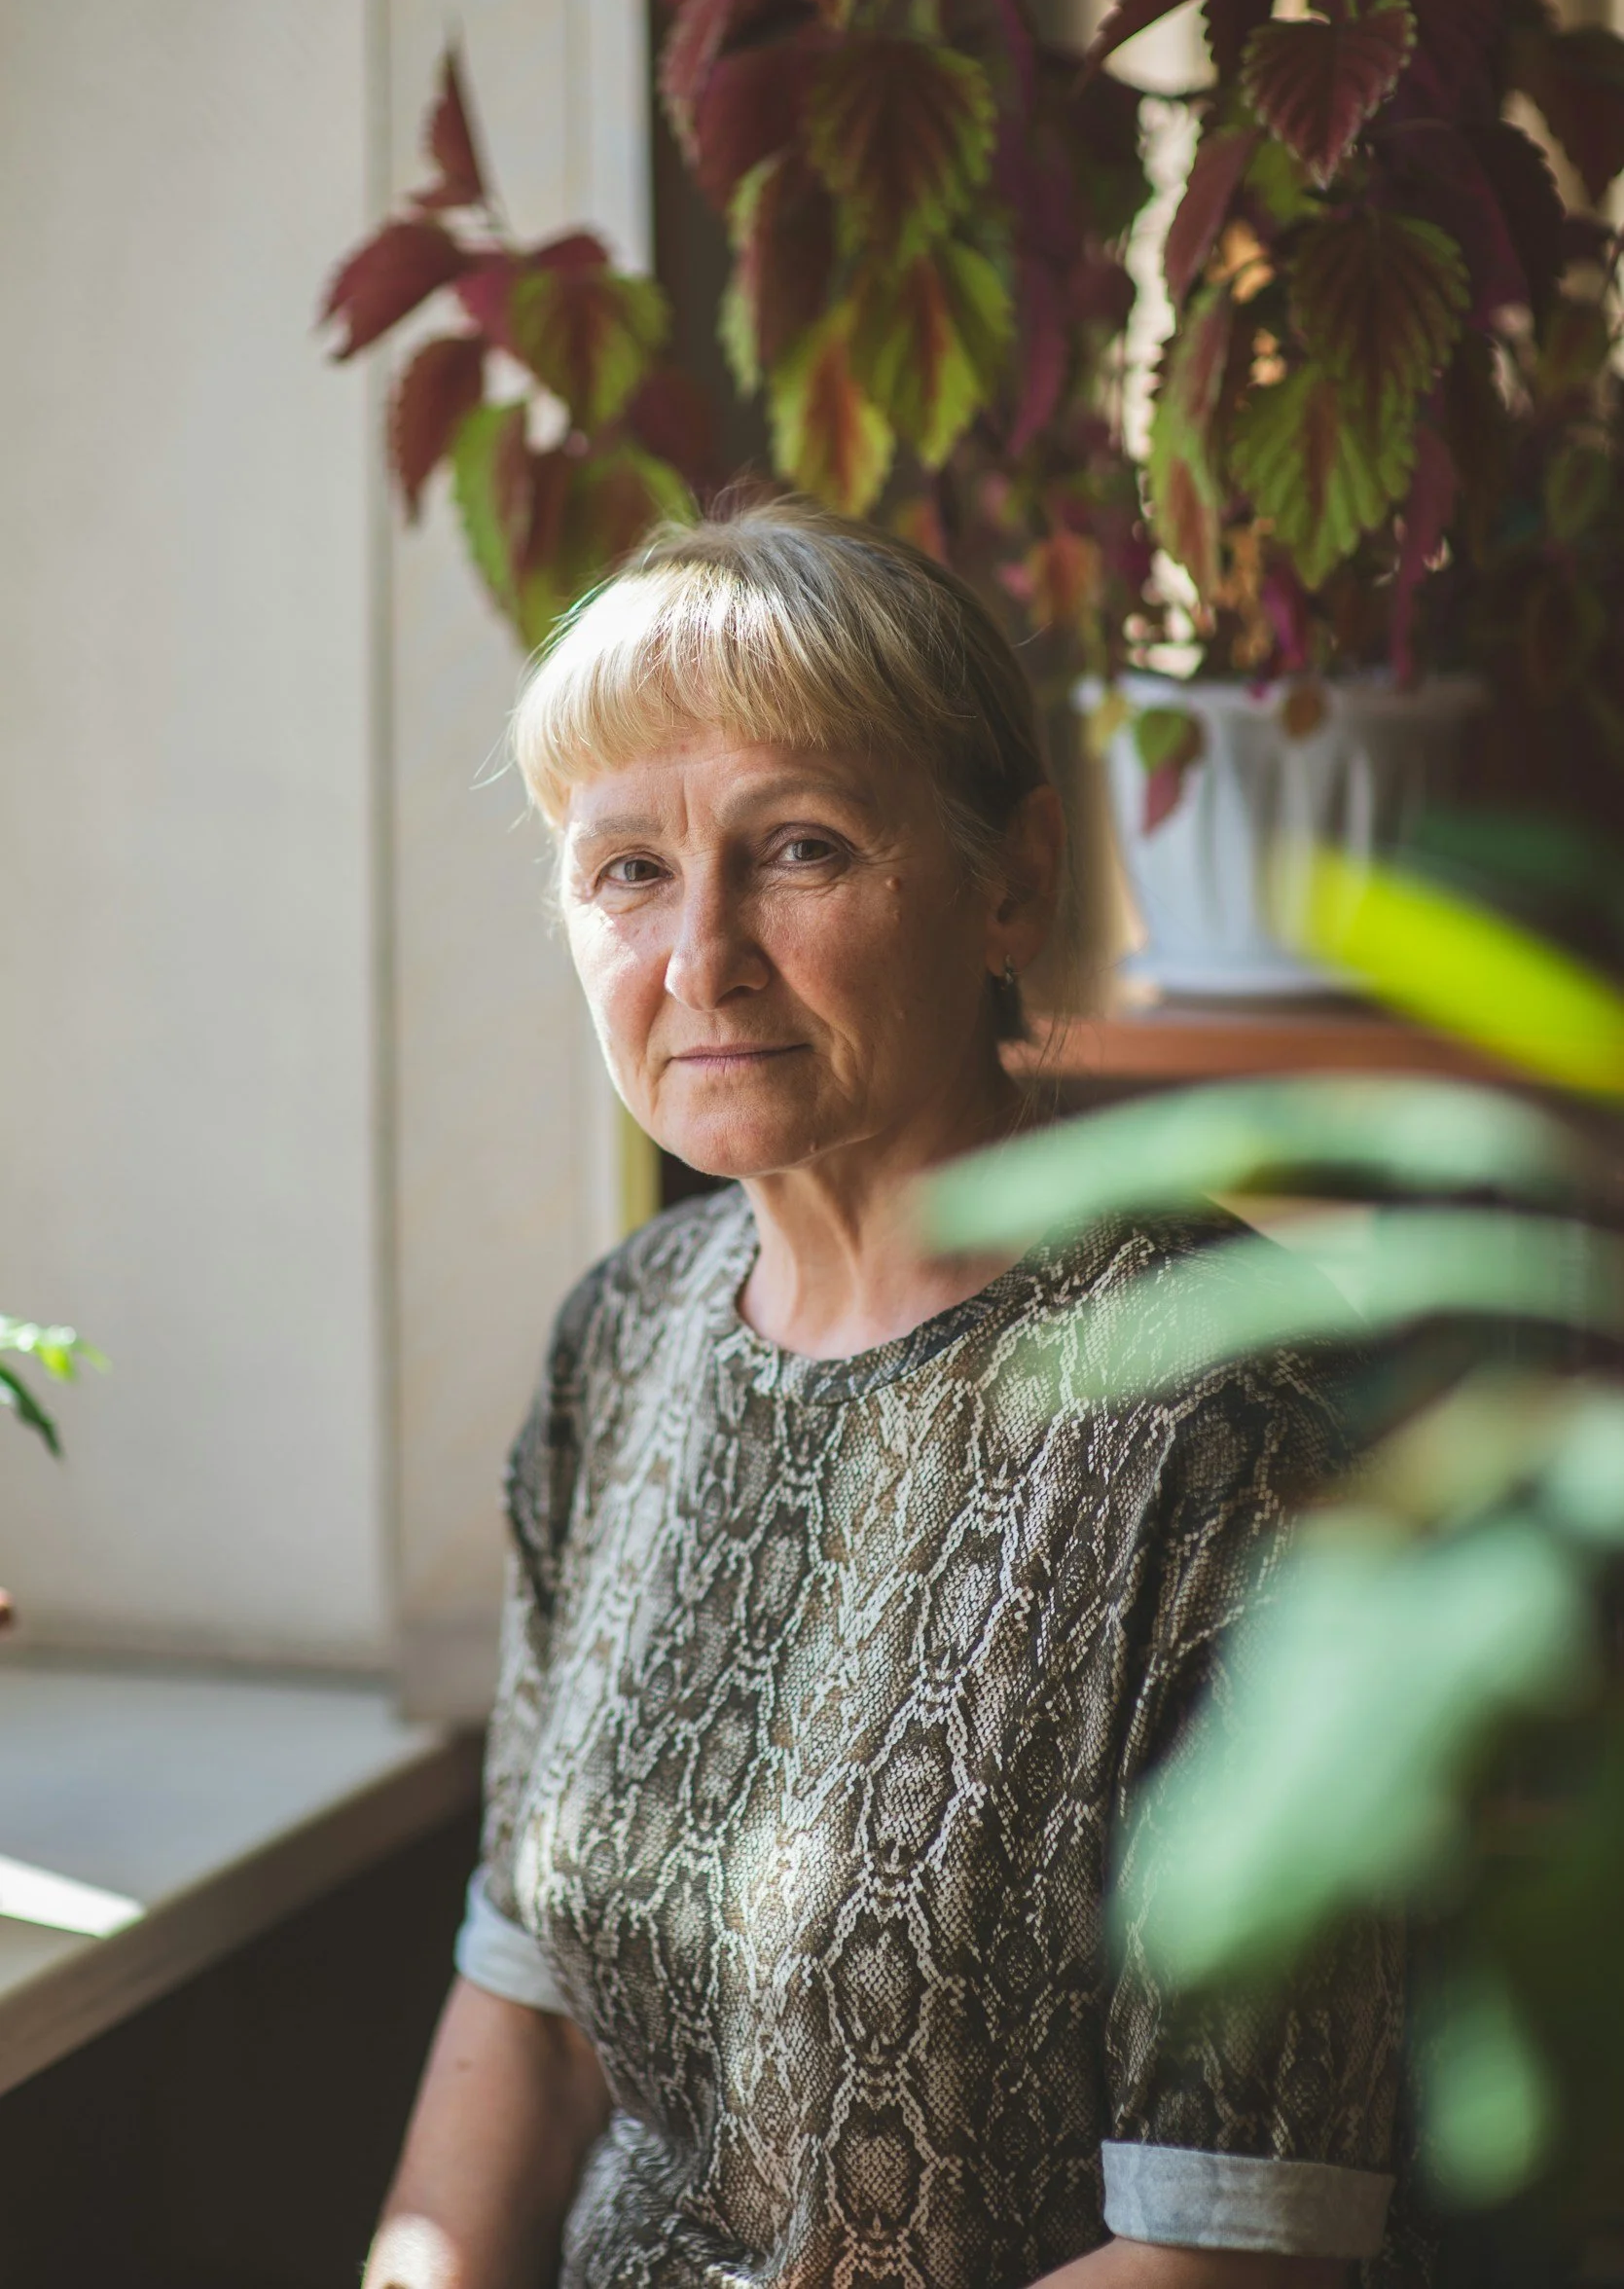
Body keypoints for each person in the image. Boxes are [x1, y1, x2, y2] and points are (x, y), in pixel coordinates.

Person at [362, 500, 1411, 2289]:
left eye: (800, 850)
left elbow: (1237, 2246)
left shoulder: (1227, 1415)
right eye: (627, 870)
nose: (701, 959)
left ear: (1012, 882)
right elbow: (525, 2015)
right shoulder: (621, 1343)